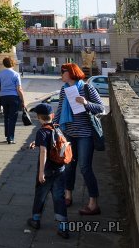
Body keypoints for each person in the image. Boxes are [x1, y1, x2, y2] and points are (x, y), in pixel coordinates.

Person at [54, 62, 105, 215]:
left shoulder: (87, 88)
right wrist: (54, 127)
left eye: (63, 71)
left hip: (85, 135)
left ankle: (93, 203)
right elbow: (60, 108)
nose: (61, 74)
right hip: (69, 133)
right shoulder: (64, 89)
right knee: (68, 166)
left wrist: (86, 102)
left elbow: (101, 108)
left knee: (85, 167)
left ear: (71, 73)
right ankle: (68, 195)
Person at [26, 103, 69, 239]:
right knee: (59, 198)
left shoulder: (41, 131)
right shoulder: (57, 128)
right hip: (60, 169)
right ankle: (63, 227)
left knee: (40, 195)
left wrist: (41, 172)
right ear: (52, 116)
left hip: (48, 171)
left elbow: (44, 151)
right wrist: (37, 143)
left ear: (39, 118)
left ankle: (35, 219)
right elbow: (53, 144)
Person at [0, 57, 25, 144]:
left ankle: (7, 135)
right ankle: (10, 138)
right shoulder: (16, 74)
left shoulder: (0, 74)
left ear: (4, 64)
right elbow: (19, 89)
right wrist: (23, 100)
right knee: (12, 118)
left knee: (6, 116)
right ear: (12, 63)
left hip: (3, 96)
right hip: (13, 97)